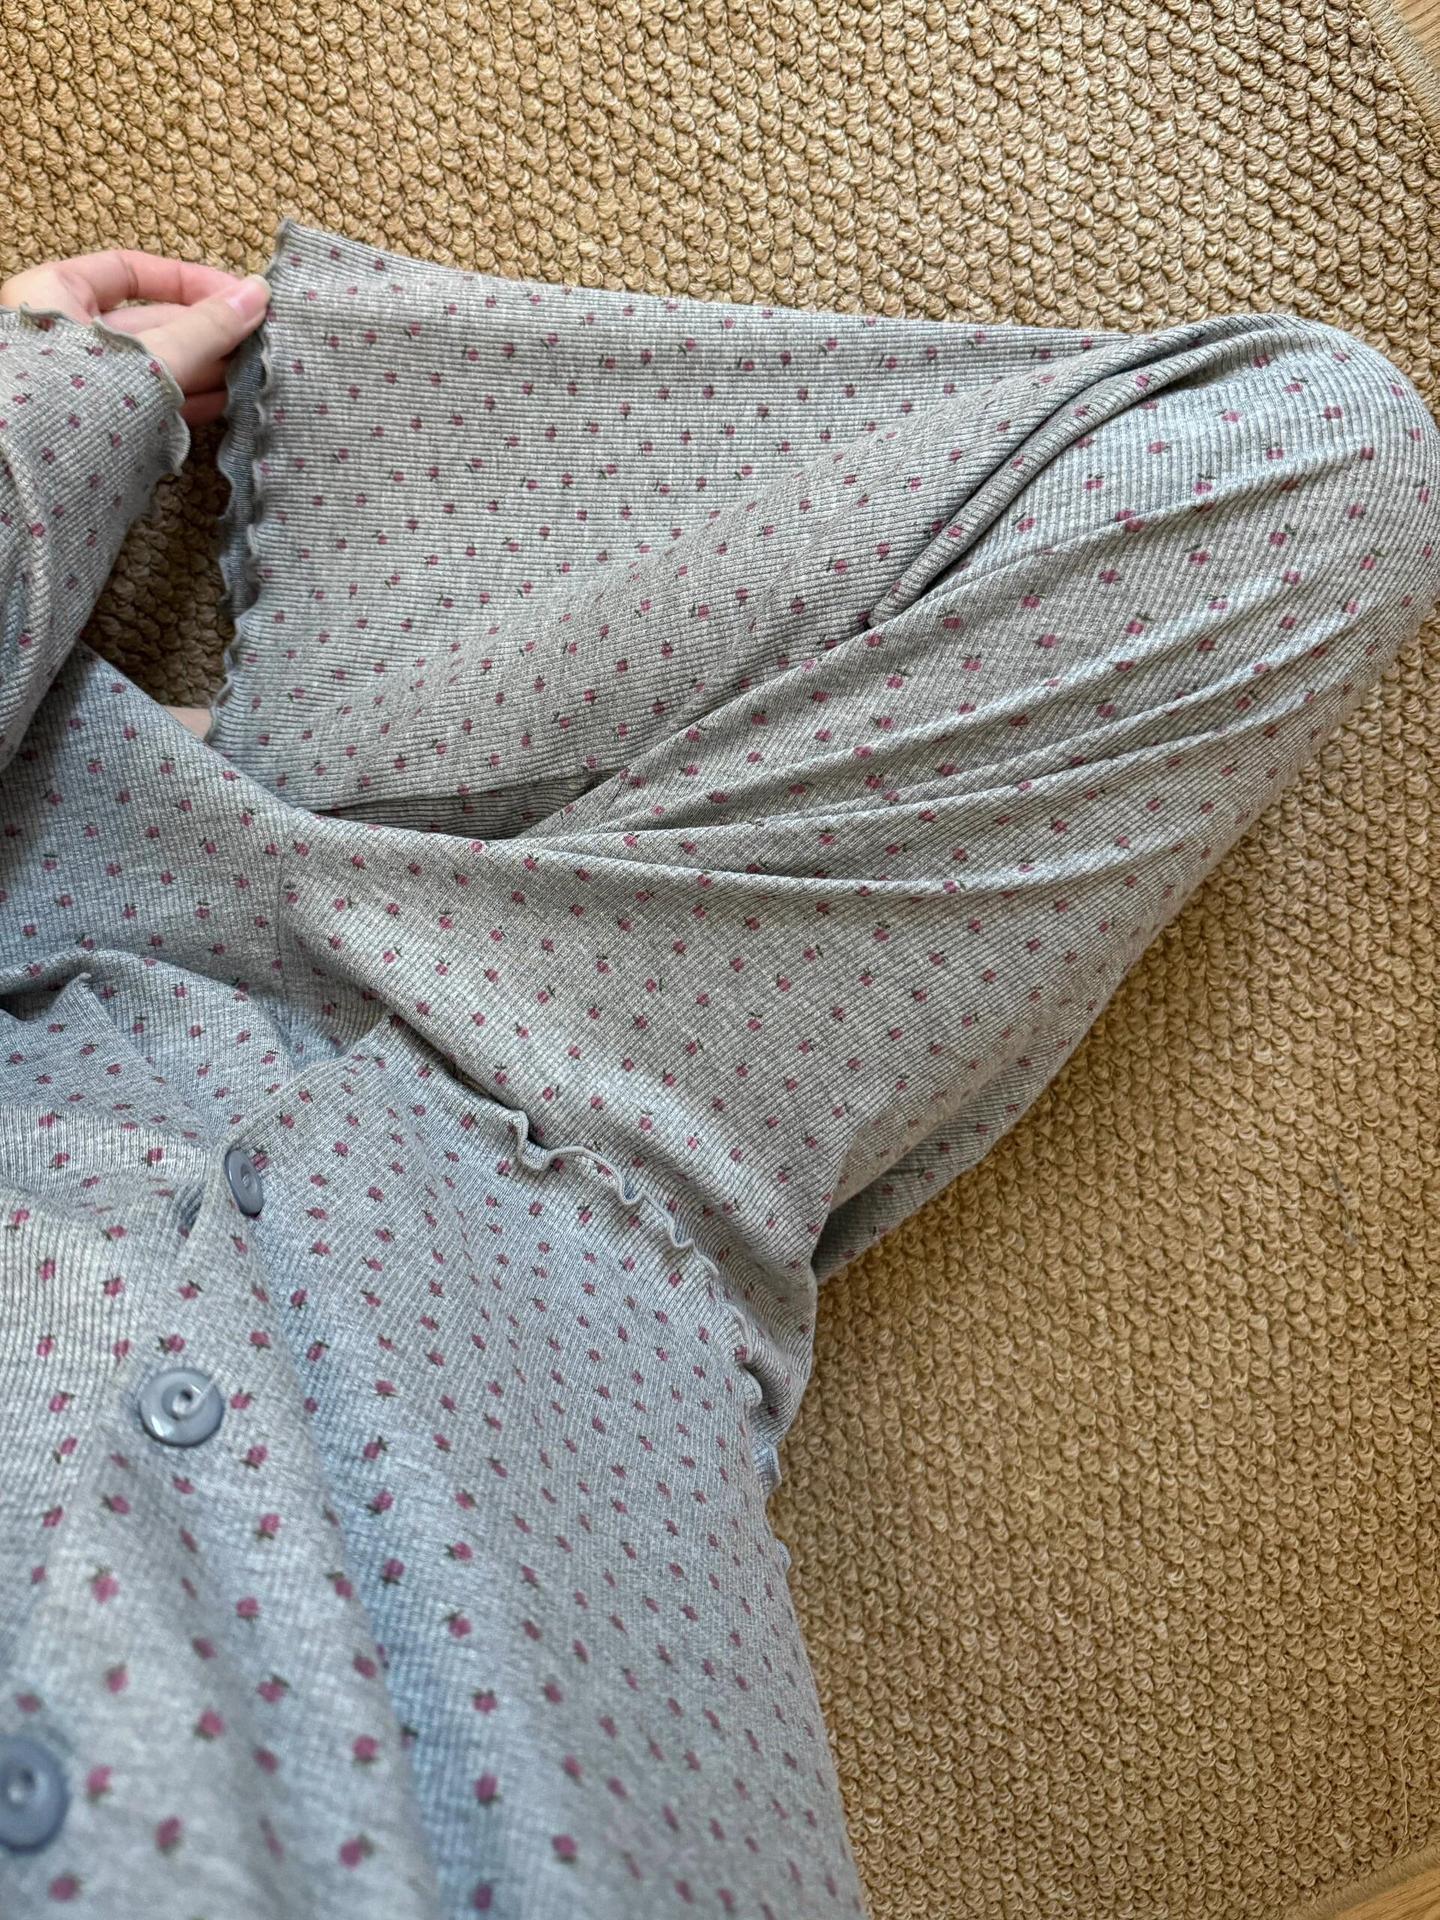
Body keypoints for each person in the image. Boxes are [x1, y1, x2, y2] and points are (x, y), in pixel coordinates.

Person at [0, 220, 1435, 1920]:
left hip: (92, 973)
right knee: (1316, 460)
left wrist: (57, 418)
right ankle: (240, 775)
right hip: (628, 1158)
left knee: (1302, 448)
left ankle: (214, 774)